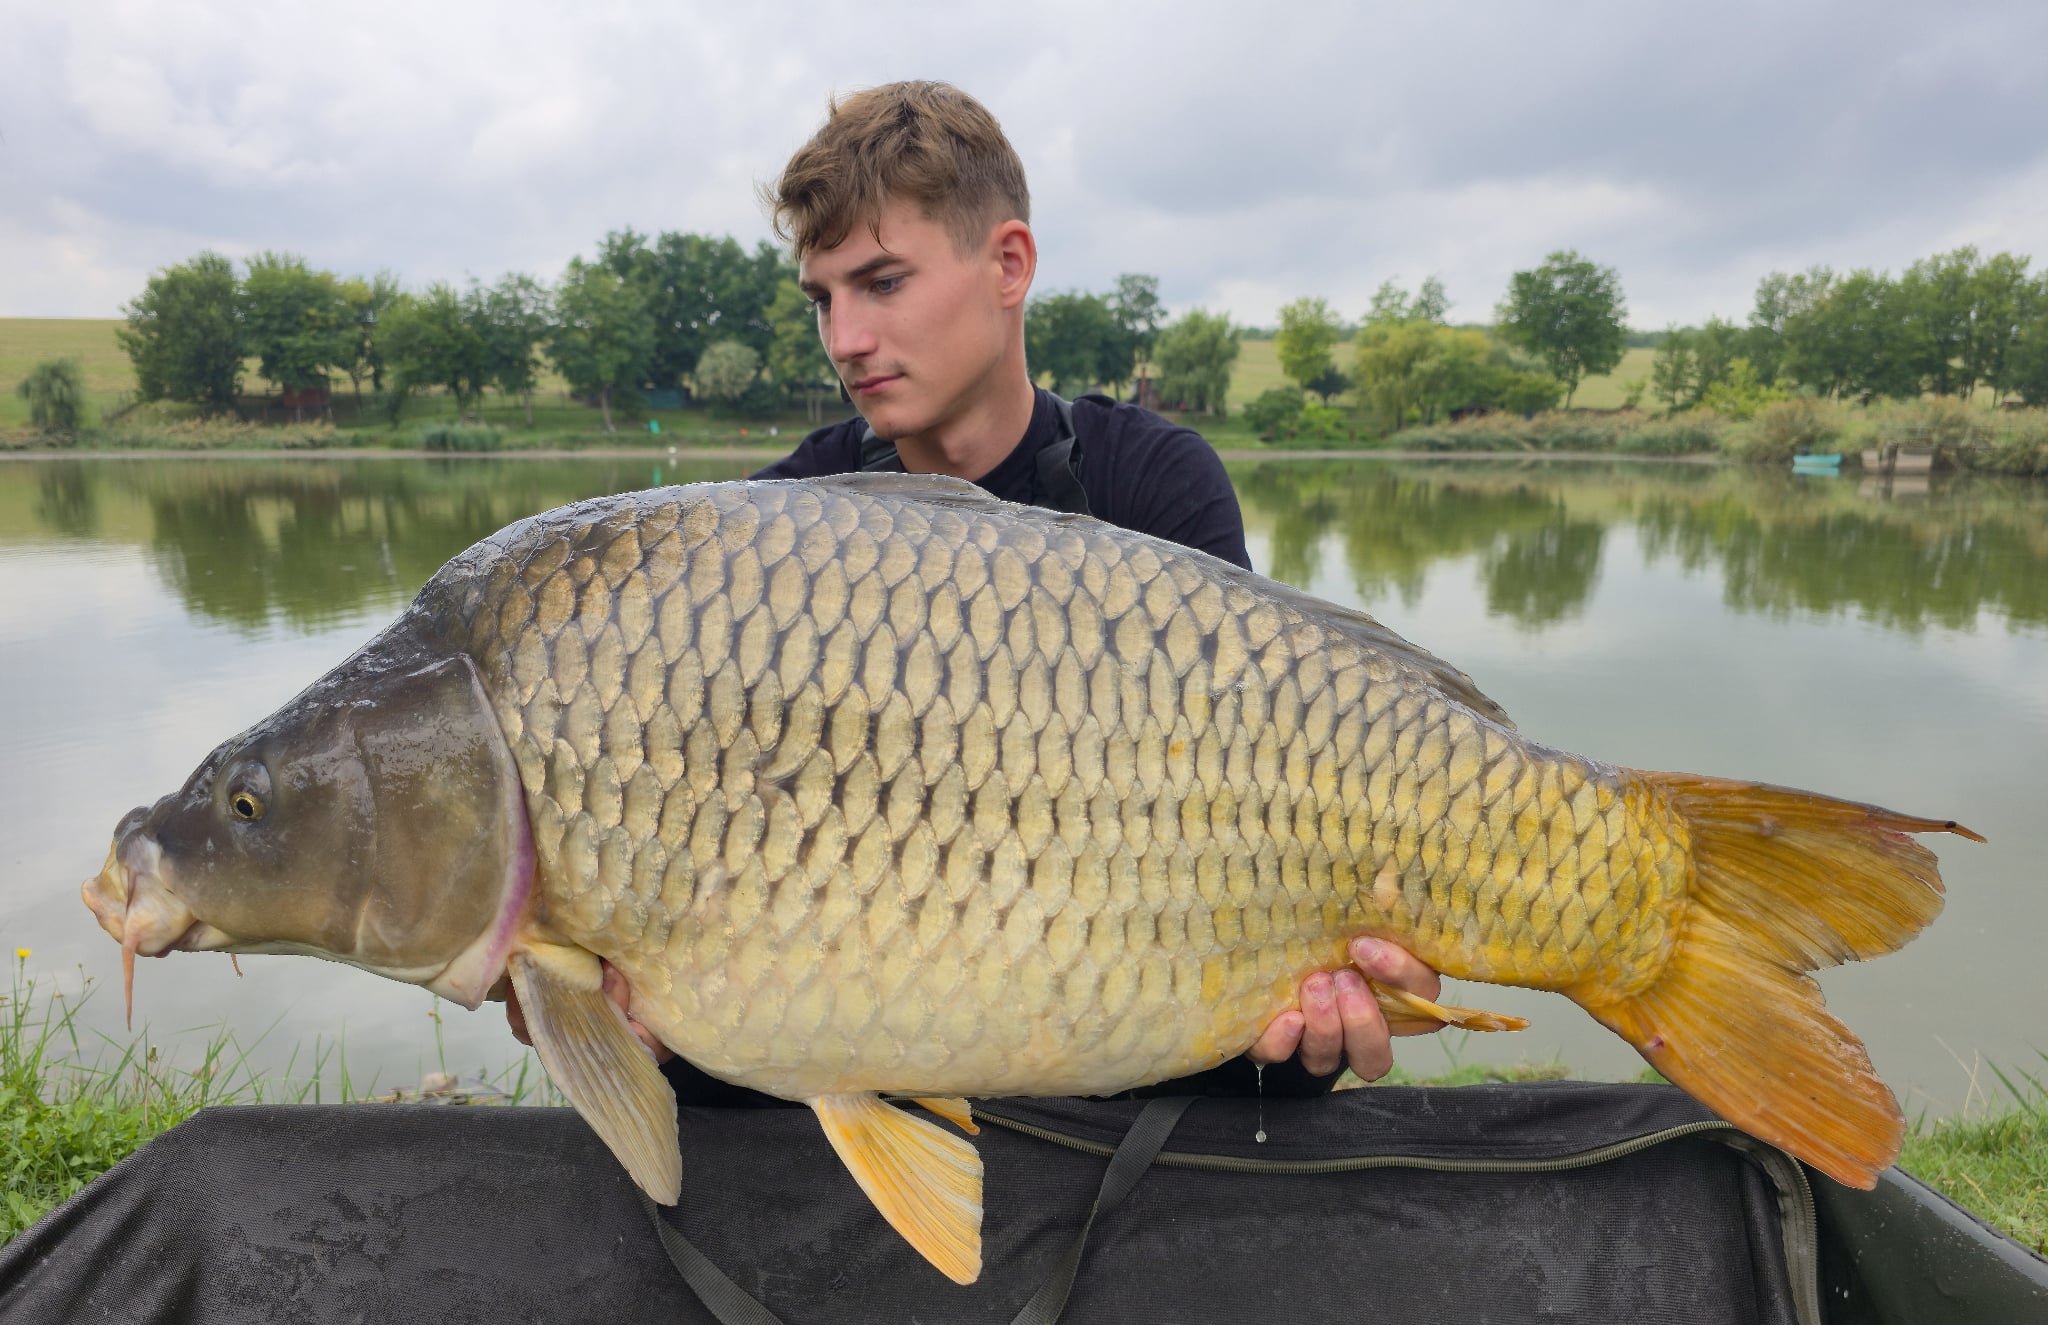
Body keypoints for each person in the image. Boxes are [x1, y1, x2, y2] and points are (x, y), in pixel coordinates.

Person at [511, 80, 1447, 1103]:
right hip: (872, 1047)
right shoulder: (773, 535)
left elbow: (1257, 838)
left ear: (1008, 265)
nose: (844, 337)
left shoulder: (1152, 482)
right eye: (822, 299)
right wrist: (630, 1009)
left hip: (1124, 1059)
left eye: (881, 282)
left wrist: (1304, 1033)